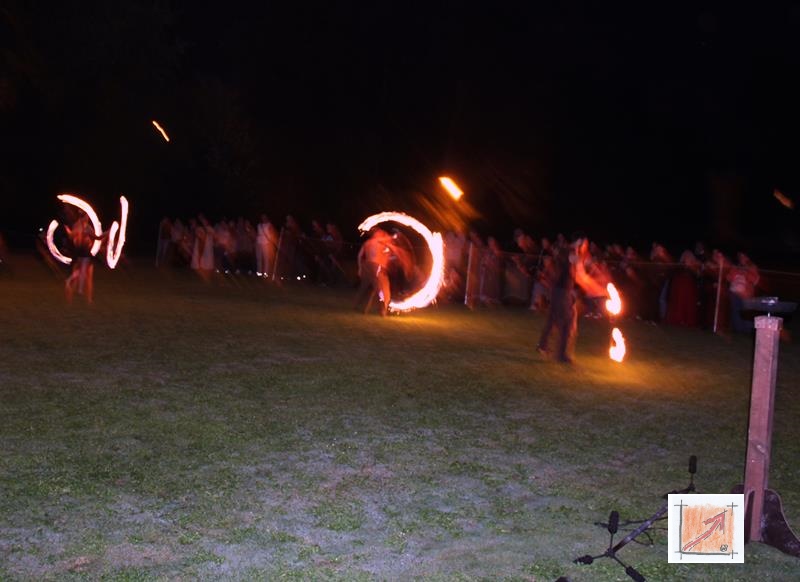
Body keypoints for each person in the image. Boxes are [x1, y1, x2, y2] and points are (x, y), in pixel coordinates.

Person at [354, 228, 397, 316]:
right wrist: (396, 235)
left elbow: (359, 256)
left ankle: (358, 306)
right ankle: (383, 310)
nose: (382, 234)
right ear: (376, 234)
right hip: (376, 267)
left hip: (366, 266)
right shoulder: (380, 241)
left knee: (365, 288)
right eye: (380, 233)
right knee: (382, 290)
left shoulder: (367, 242)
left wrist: (360, 268)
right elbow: (391, 240)